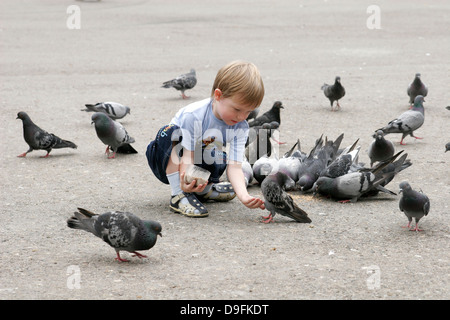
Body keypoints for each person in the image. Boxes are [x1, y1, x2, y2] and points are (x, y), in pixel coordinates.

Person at [146, 60, 266, 217]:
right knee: (170, 133)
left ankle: (204, 190)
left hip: (198, 156)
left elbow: (235, 166)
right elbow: (187, 156)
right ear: (218, 95)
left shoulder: (241, 126)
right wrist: (185, 183)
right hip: (169, 160)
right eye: (237, 109)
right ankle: (178, 195)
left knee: (221, 156)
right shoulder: (194, 115)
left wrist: (244, 196)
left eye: (248, 111)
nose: (242, 117)